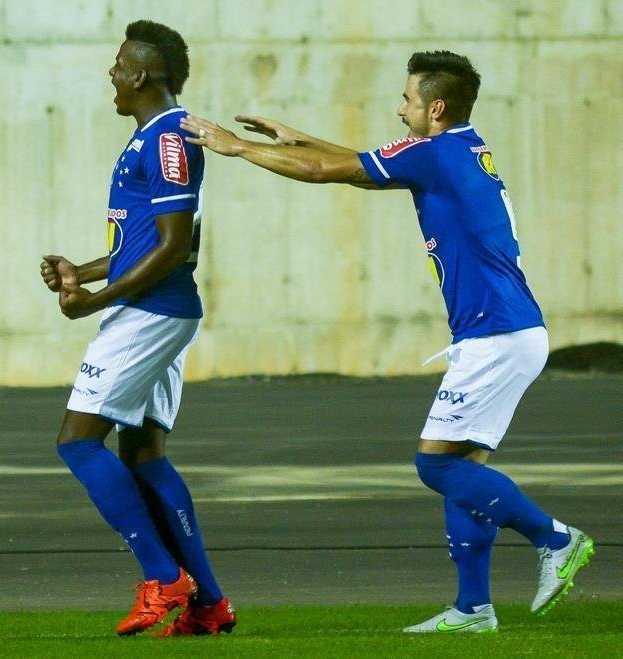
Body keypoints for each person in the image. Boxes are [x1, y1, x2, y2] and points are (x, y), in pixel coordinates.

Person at [182, 51, 593, 633]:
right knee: (464, 465)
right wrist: (295, 137)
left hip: (496, 334)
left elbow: (333, 172)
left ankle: (556, 539)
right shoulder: (458, 148)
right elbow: (353, 162)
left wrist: (238, 147)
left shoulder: (434, 154)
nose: (399, 109)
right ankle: (473, 609)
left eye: (407, 100)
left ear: (436, 107)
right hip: (506, 329)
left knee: (435, 466)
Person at [40, 20, 235, 638]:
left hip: (152, 314)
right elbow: (143, 244)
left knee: (77, 442)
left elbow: (174, 249)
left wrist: (95, 301)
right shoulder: (155, 137)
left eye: (120, 64)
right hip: (156, 309)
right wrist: (84, 268)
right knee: (144, 455)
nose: (112, 73)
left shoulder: (169, 142)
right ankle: (208, 604)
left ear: (142, 75)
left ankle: (163, 576)